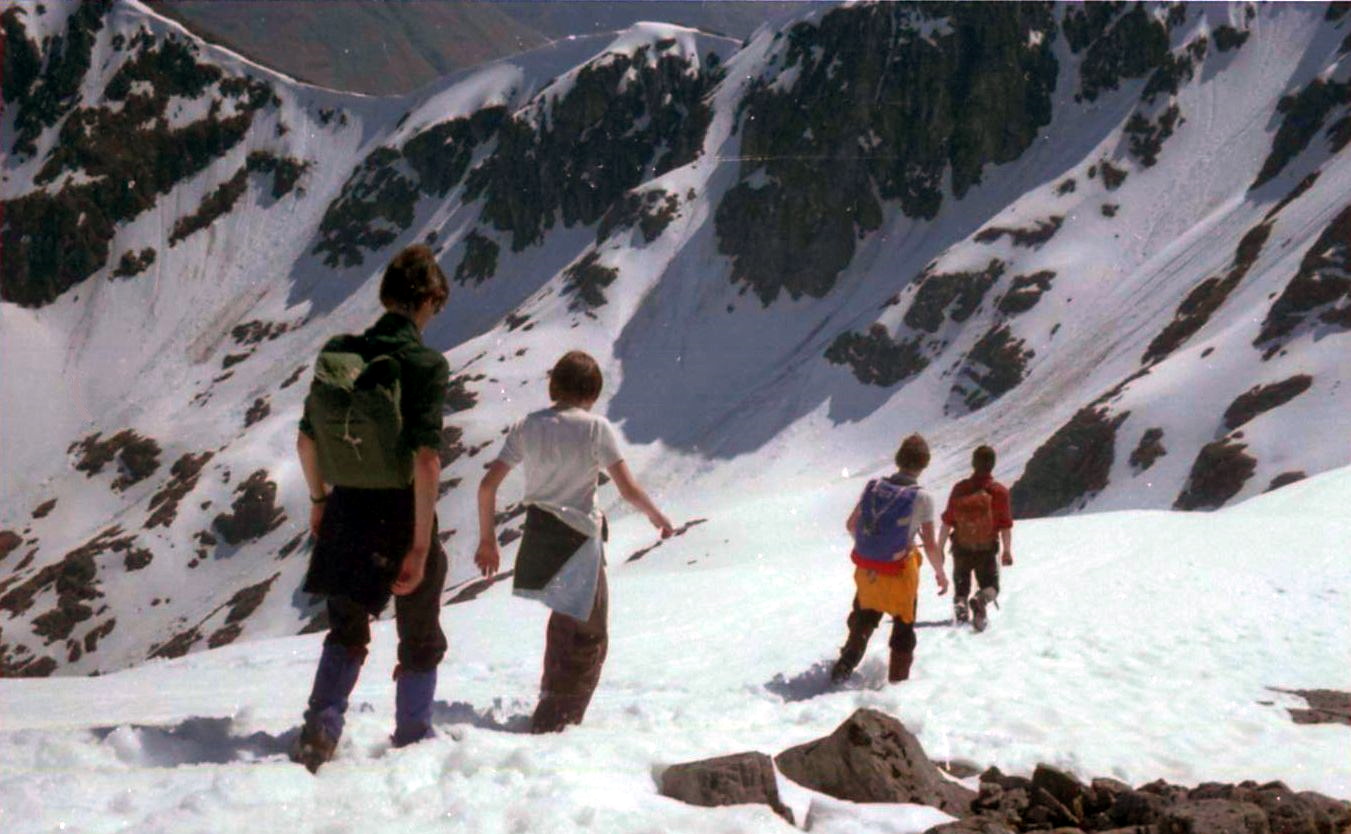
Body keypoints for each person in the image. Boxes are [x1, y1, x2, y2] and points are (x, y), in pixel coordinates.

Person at [290, 245, 451, 772]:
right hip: (402, 515)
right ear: (429, 299)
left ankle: (321, 727)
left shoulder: (342, 354)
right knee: (419, 635)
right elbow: (426, 461)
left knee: (346, 631)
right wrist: (421, 547)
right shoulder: (425, 364)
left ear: (385, 296)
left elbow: (306, 443)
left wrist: (319, 502)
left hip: (347, 510)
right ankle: (411, 738)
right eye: (436, 304)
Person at [475, 350, 673, 733]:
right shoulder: (595, 428)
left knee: (563, 623)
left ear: (555, 386)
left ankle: (551, 701)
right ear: (592, 392)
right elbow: (627, 488)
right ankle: (557, 724)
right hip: (579, 539)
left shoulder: (526, 426)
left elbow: (487, 486)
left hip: (538, 536)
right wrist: (657, 517)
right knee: (588, 634)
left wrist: (488, 541)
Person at [831, 434, 949, 684]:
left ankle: (843, 667)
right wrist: (940, 573)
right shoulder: (922, 498)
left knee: (863, 619)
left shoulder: (874, 486)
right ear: (924, 464)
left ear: (898, 459)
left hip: (868, 571)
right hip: (900, 573)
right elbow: (929, 544)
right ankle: (898, 685)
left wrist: (872, 550)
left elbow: (851, 524)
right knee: (903, 628)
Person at [938, 444, 1013, 632]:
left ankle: (961, 608)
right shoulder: (999, 492)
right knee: (991, 586)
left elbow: (948, 521)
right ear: (992, 465)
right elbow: (1005, 525)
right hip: (986, 548)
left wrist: (939, 549)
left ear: (973, 463)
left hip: (961, 547)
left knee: (961, 587)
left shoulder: (960, 489)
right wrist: (1006, 551)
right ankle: (981, 599)